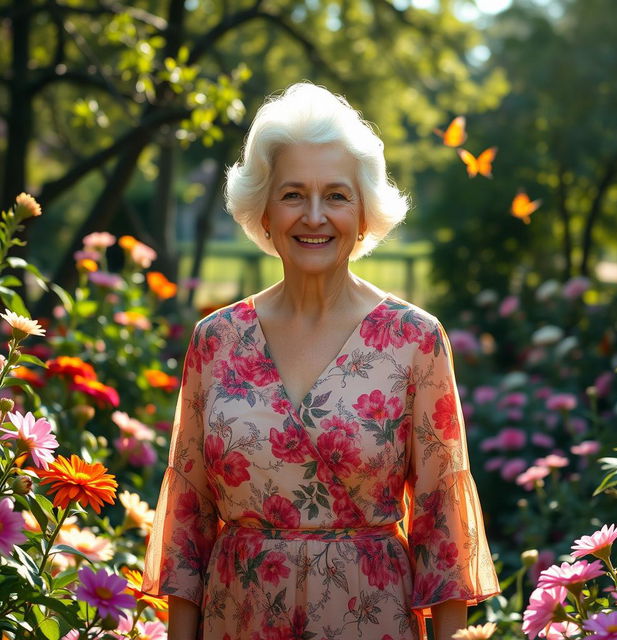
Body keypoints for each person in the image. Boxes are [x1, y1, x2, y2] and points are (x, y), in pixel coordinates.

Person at [141, 82, 500, 640]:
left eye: (336, 195)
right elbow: (188, 526)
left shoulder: (415, 340)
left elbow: (442, 529)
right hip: (238, 619)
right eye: (292, 195)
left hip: (370, 619)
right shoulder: (216, 340)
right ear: (262, 210)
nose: (314, 216)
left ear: (364, 214)